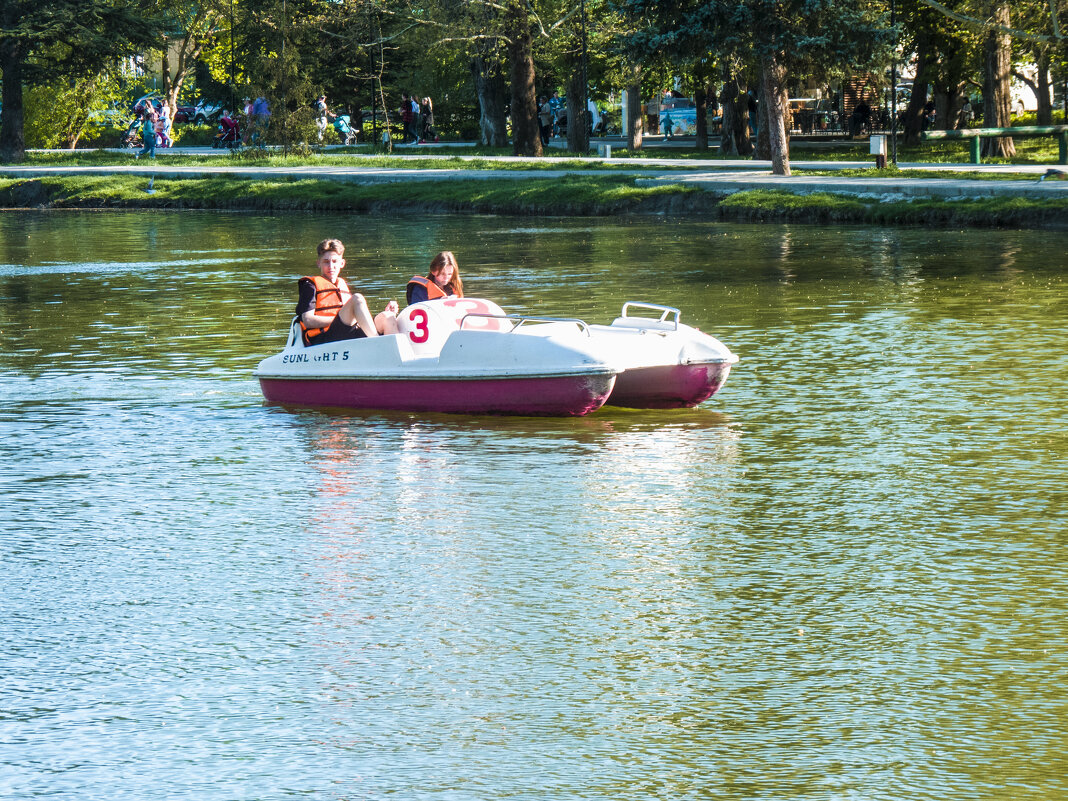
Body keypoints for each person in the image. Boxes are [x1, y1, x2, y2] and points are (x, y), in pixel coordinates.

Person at [297, 238, 399, 346]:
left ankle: (395, 355)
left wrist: (359, 319)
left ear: (342, 263)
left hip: (346, 333)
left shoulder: (342, 284)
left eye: (335, 261)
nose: (331, 266)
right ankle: (377, 342)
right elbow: (308, 320)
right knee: (357, 298)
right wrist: (339, 320)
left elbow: (352, 318)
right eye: (326, 262)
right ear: (319, 263)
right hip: (324, 339)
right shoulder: (310, 285)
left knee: (387, 317)